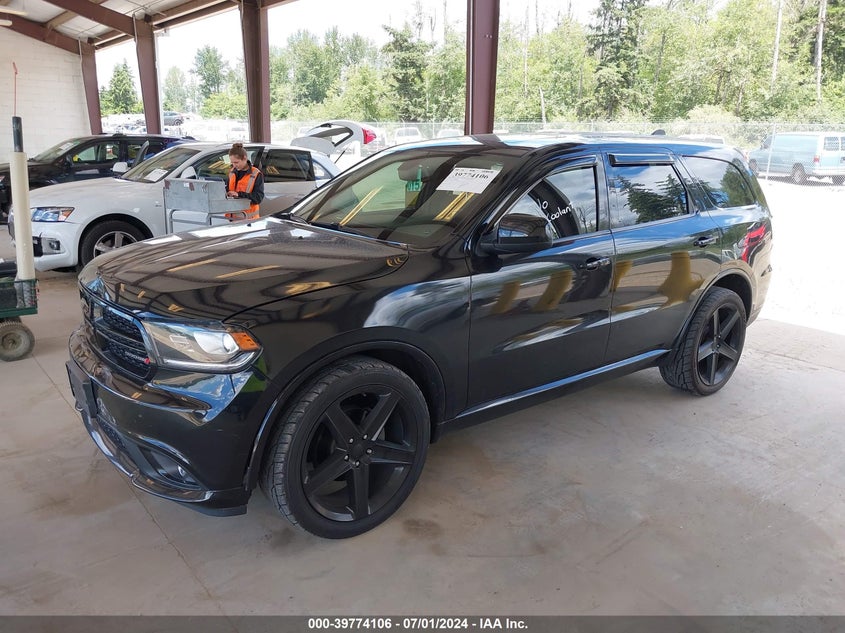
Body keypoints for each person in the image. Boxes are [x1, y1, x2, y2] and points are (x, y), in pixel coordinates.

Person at [225, 142, 264, 221]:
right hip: (231, 219)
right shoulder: (232, 172)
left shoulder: (256, 174)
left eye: (236, 162)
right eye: (232, 163)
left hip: (249, 220)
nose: (234, 165)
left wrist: (239, 194)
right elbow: (227, 189)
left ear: (245, 158)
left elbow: (258, 198)